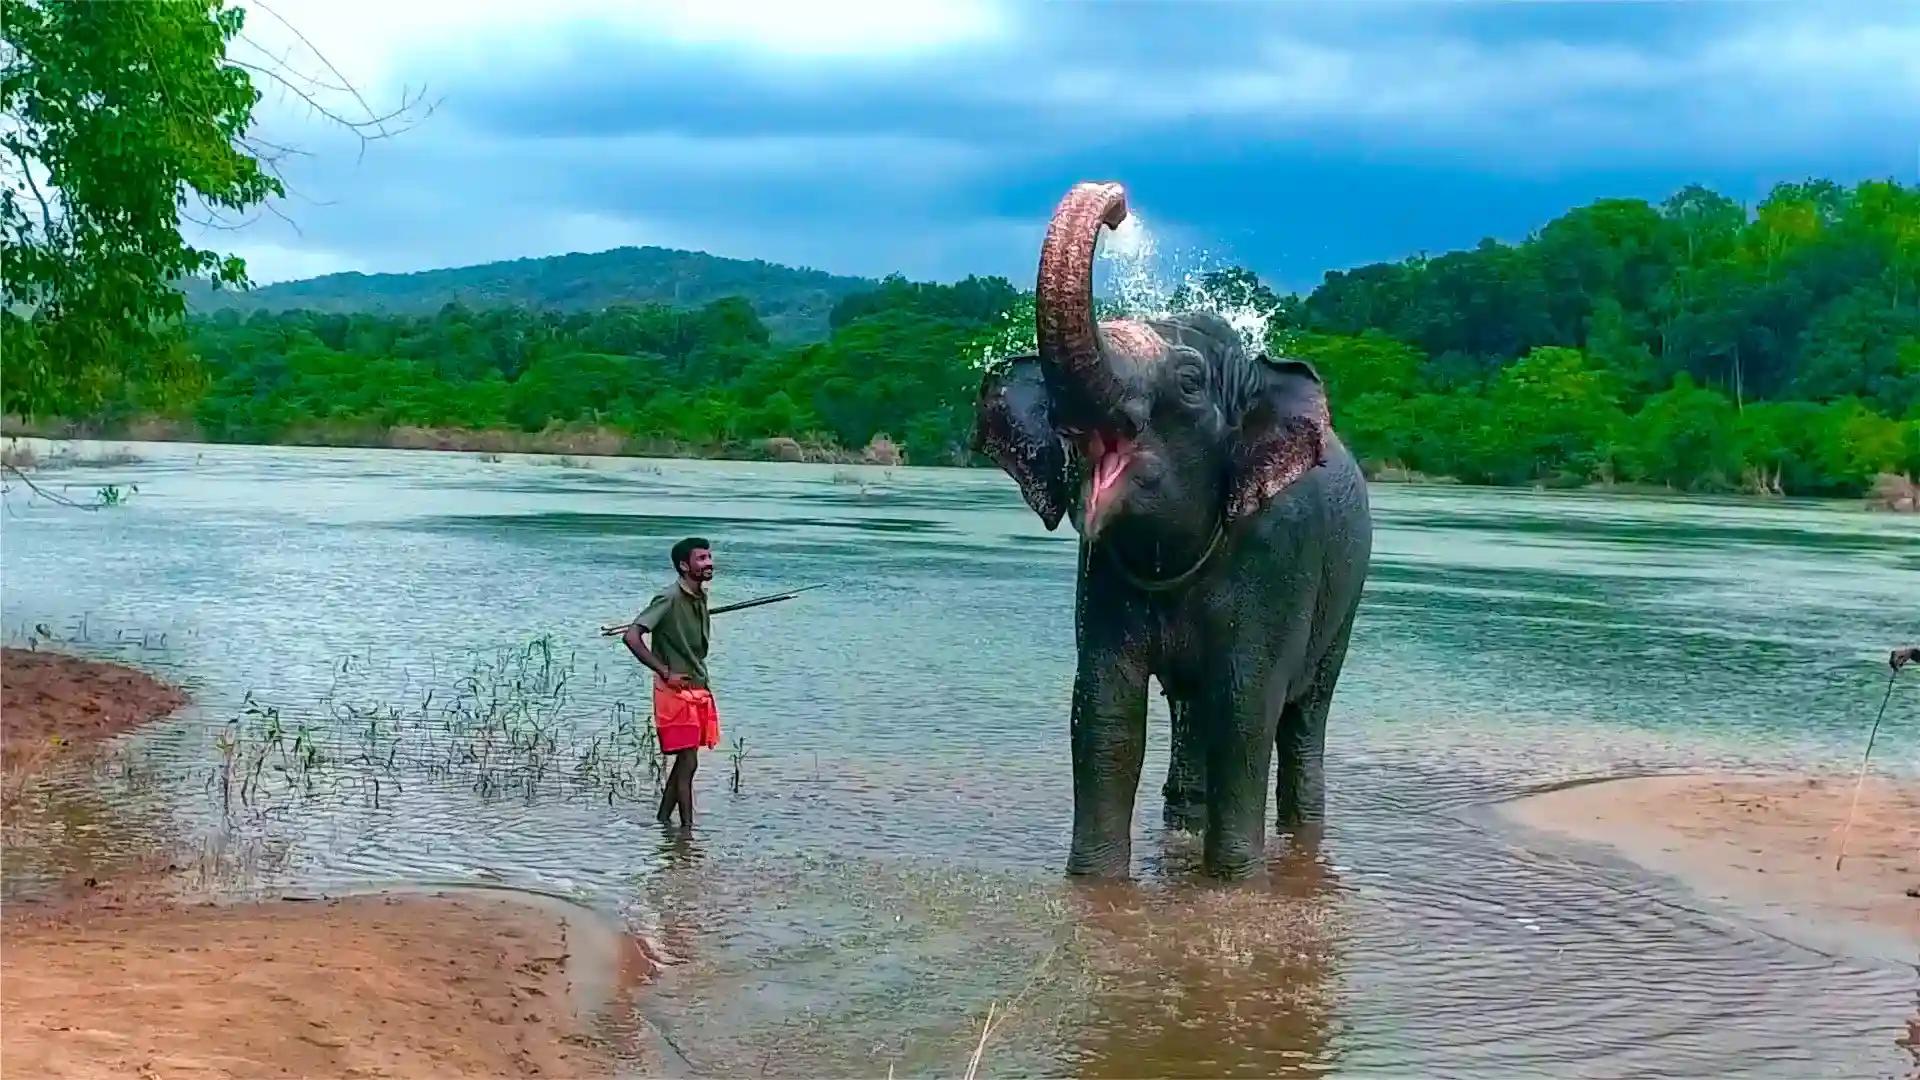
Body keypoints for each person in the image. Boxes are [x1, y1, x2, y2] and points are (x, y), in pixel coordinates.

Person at [622, 537, 720, 827]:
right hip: (675, 690)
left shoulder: (698, 596)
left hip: (697, 685)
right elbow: (631, 637)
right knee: (688, 762)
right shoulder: (669, 597)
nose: (708, 563)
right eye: (701, 558)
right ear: (683, 565)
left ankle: (664, 820)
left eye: (709, 557)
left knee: (685, 762)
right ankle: (687, 833)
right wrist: (665, 671)